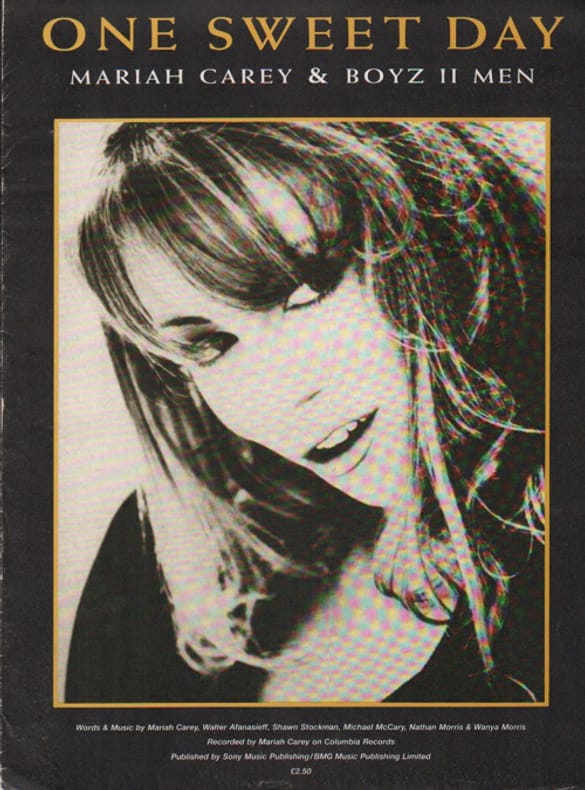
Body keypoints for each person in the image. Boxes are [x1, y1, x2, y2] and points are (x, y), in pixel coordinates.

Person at [64, 121, 545, 703]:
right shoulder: (156, 563)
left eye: (307, 292)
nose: (279, 392)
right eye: (213, 345)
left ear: (452, 243)